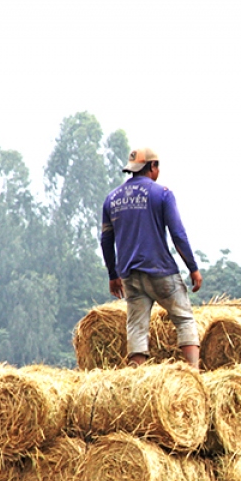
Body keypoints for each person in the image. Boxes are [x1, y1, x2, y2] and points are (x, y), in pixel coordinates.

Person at [100, 146, 203, 369]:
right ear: (152, 167)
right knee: (183, 317)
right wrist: (192, 268)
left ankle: (138, 377)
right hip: (160, 271)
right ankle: (194, 374)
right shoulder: (162, 193)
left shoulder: (112, 199)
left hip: (130, 275)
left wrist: (113, 275)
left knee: (137, 327)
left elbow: (106, 241)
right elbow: (178, 234)